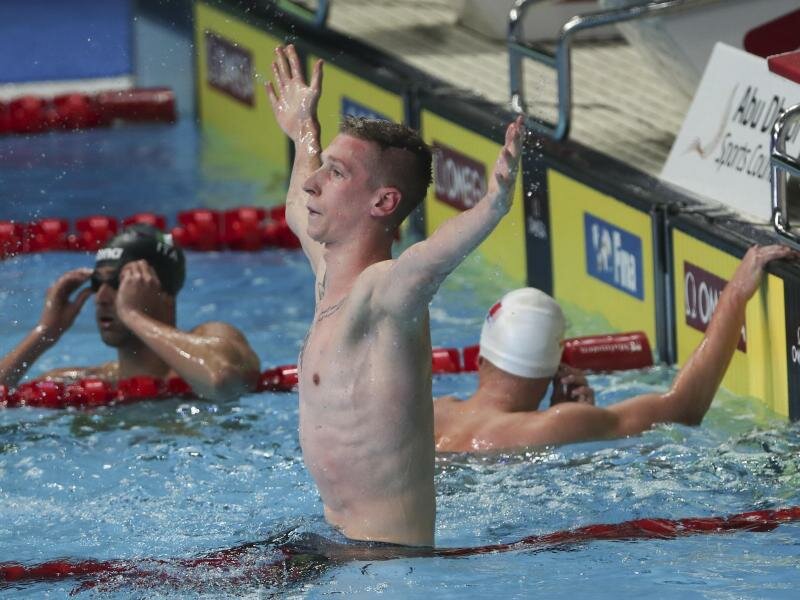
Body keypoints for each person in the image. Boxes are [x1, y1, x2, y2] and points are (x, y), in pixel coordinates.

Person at [267, 44, 524, 546]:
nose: (314, 183)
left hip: (386, 566)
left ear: (383, 202)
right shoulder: (328, 274)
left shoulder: (384, 295)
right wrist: (303, 132)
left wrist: (492, 206)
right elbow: (298, 203)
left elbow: (428, 260)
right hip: (340, 546)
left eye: (337, 173)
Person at [435, 244, 798, 452]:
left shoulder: (432, 414)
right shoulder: (560, 424)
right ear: (555, 367)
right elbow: (684, 408)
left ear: (481, 358)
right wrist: (735, 294)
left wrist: (551, 418)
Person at [0, 224, 260, 401]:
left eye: (119, 282)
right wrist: (44, 333)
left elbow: (223, 379)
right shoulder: (86, 382)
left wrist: (133, 315)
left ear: (164, 292)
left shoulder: (214, 337)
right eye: (97, 284)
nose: (101, 298)